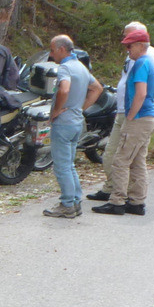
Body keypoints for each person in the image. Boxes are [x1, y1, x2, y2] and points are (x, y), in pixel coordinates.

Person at [88, 20, 154, 202]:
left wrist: (135, 110)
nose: (126, 44)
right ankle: (135, 200)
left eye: (129, 40)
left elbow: (147, 88)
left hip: (135, 114)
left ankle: (118, 199)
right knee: (136, 160)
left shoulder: (145, 59)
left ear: (140, 41)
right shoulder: (137, 58)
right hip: (133, 112)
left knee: (120, 159)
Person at [41, 33, 103, 218]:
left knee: (61, 166)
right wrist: (80, 108)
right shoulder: (81, 67)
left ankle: (67, 204)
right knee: (69, 164)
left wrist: (57, 110)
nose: (51, 55)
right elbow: (97, 88)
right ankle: (75, 202)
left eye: (52, 50)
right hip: (77, 122)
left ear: (61, 49)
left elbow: (64, 88)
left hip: (64, 123)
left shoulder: (65, 68)